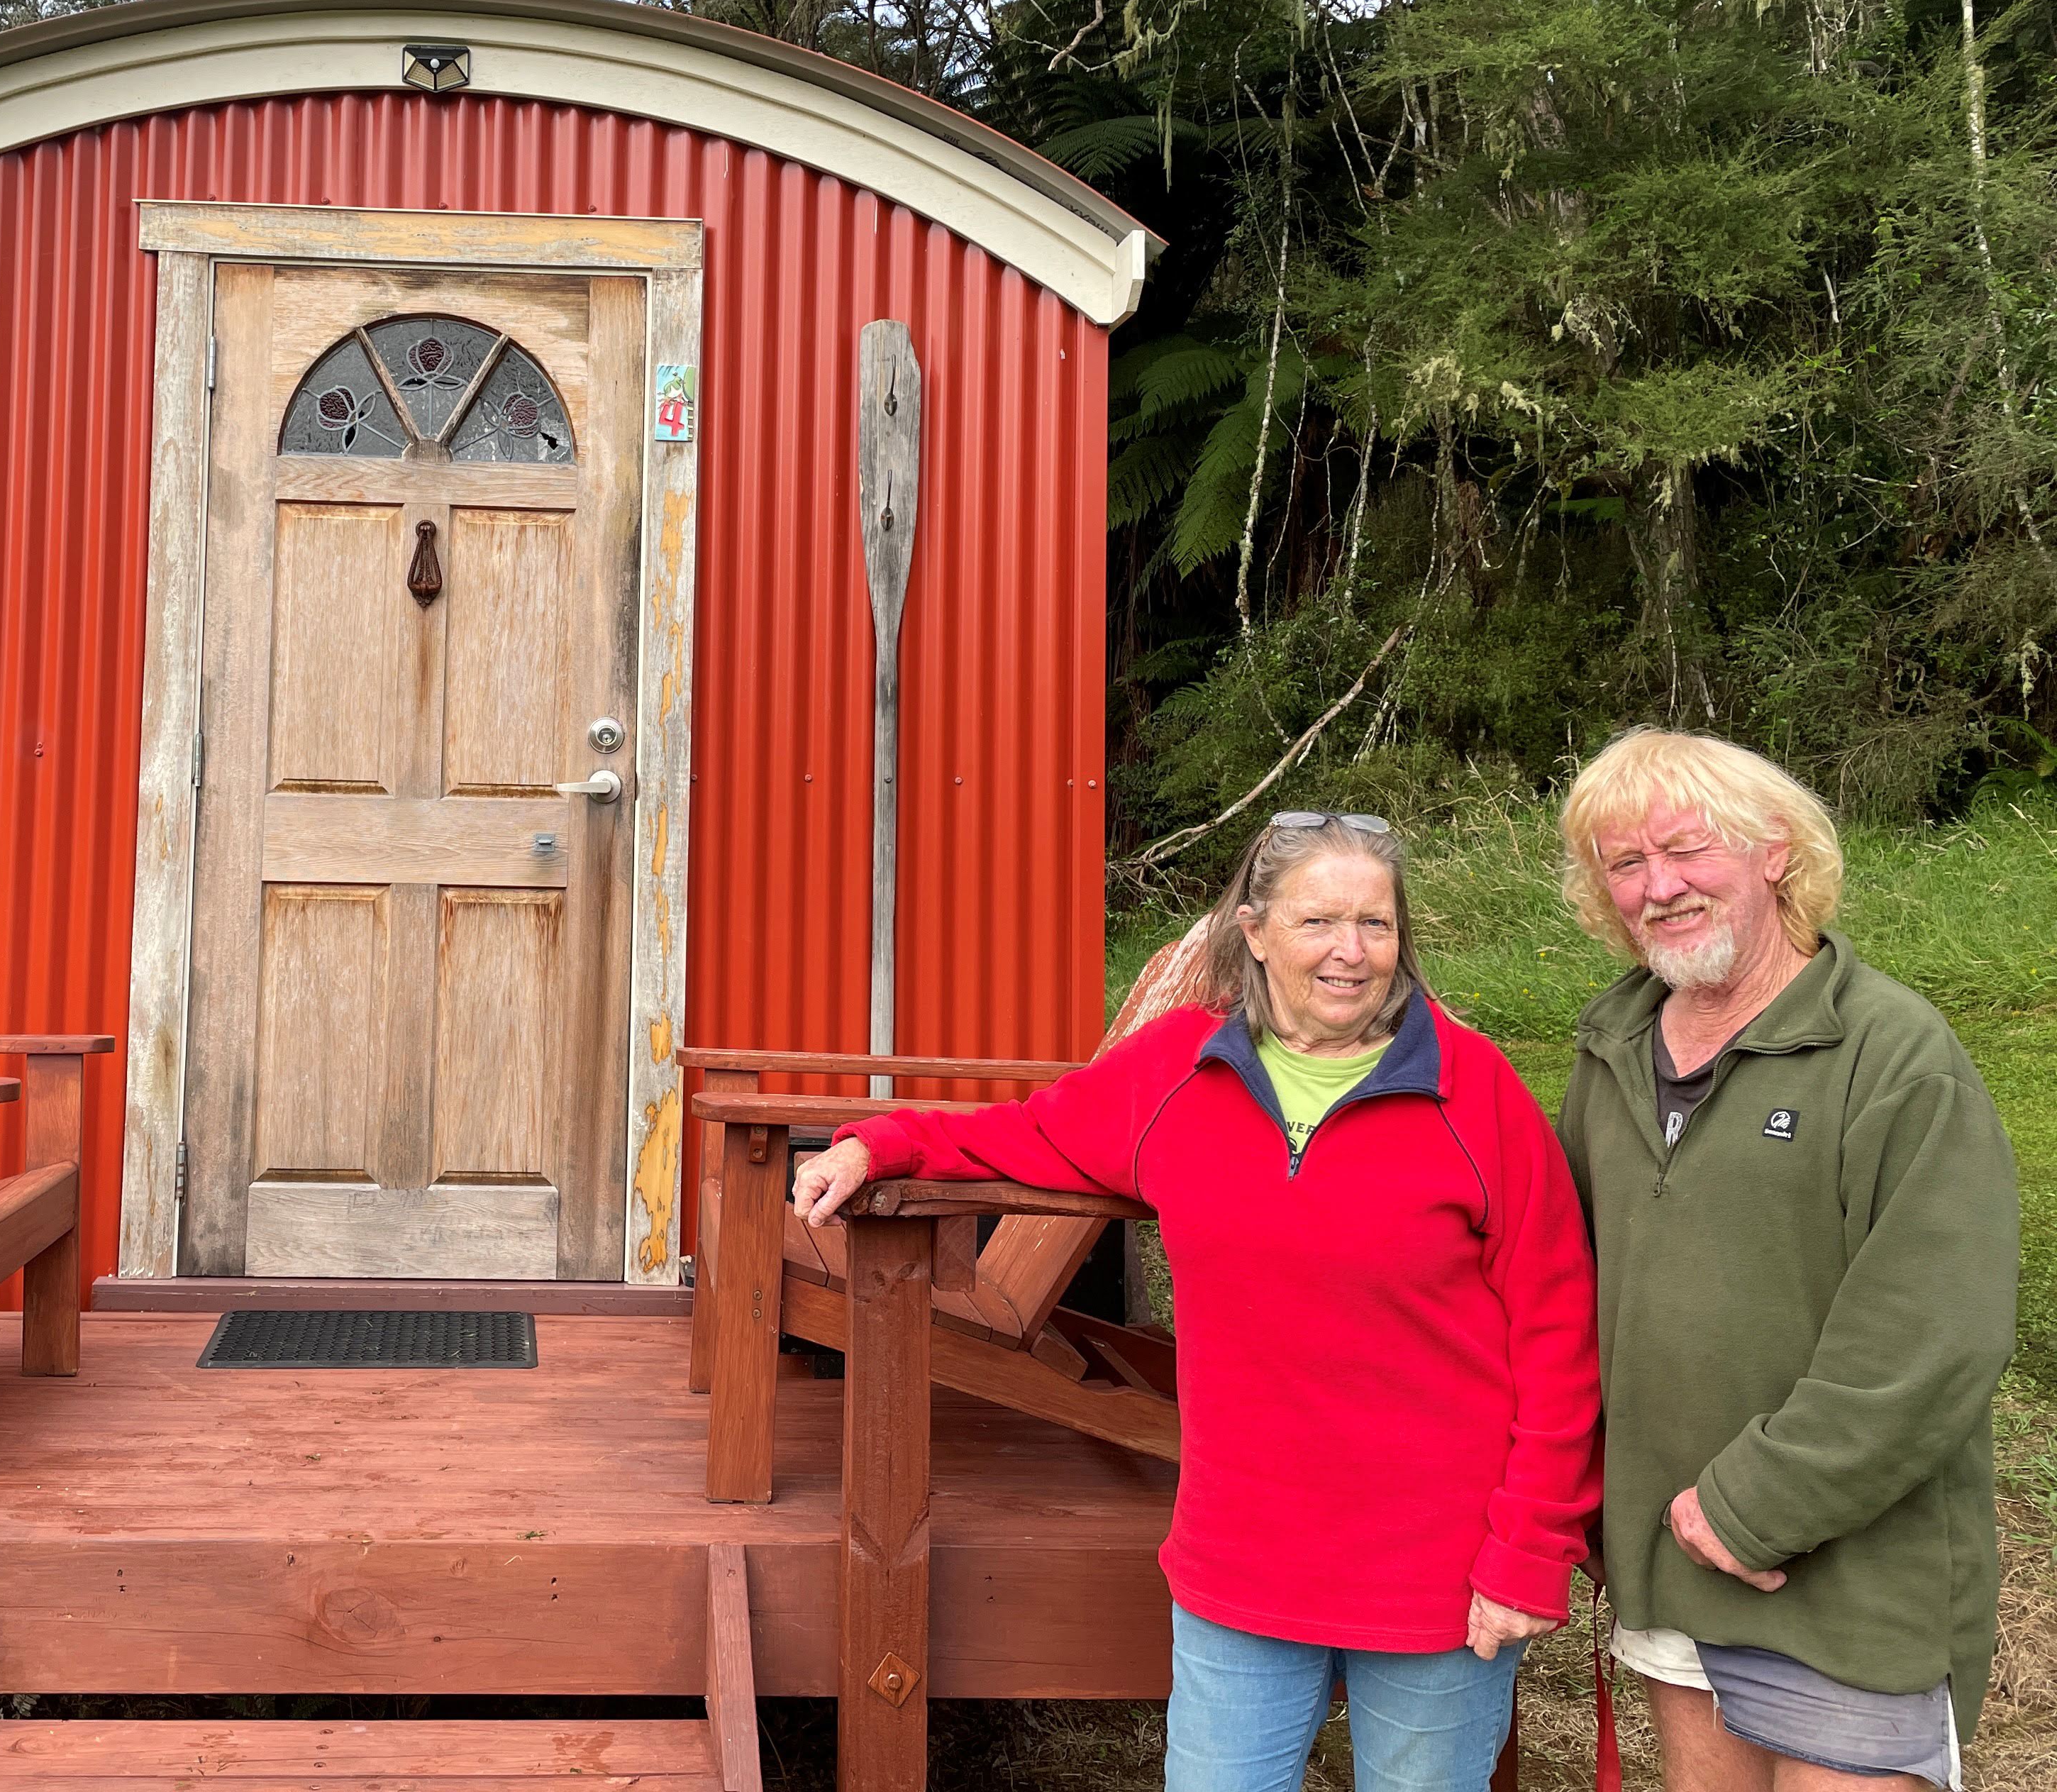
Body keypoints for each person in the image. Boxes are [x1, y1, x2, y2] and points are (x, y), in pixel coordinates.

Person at [794, 811, 1599, 1792]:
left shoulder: (1477, 1093)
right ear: (1254, 930)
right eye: (1319, 922)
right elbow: (1027, 1136)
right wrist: (878, 1145)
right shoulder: (1177, 1071)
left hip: (1437, 1565)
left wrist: (1530, 1549)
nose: (1351, 951)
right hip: (1242, 1557)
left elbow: (1560, 1333)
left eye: (1376, 924)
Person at [1558, 729, 2018, 1791]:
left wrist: (1753, 1509)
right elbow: (1564, 1285)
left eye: (1687, 849)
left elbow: (1931, 1336)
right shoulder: (1613, 1050)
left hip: (1844, 1579)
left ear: (1774, 851)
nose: (1660, 887)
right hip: (1669, 1559)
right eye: (1626, 865)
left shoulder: (1892, 1052)